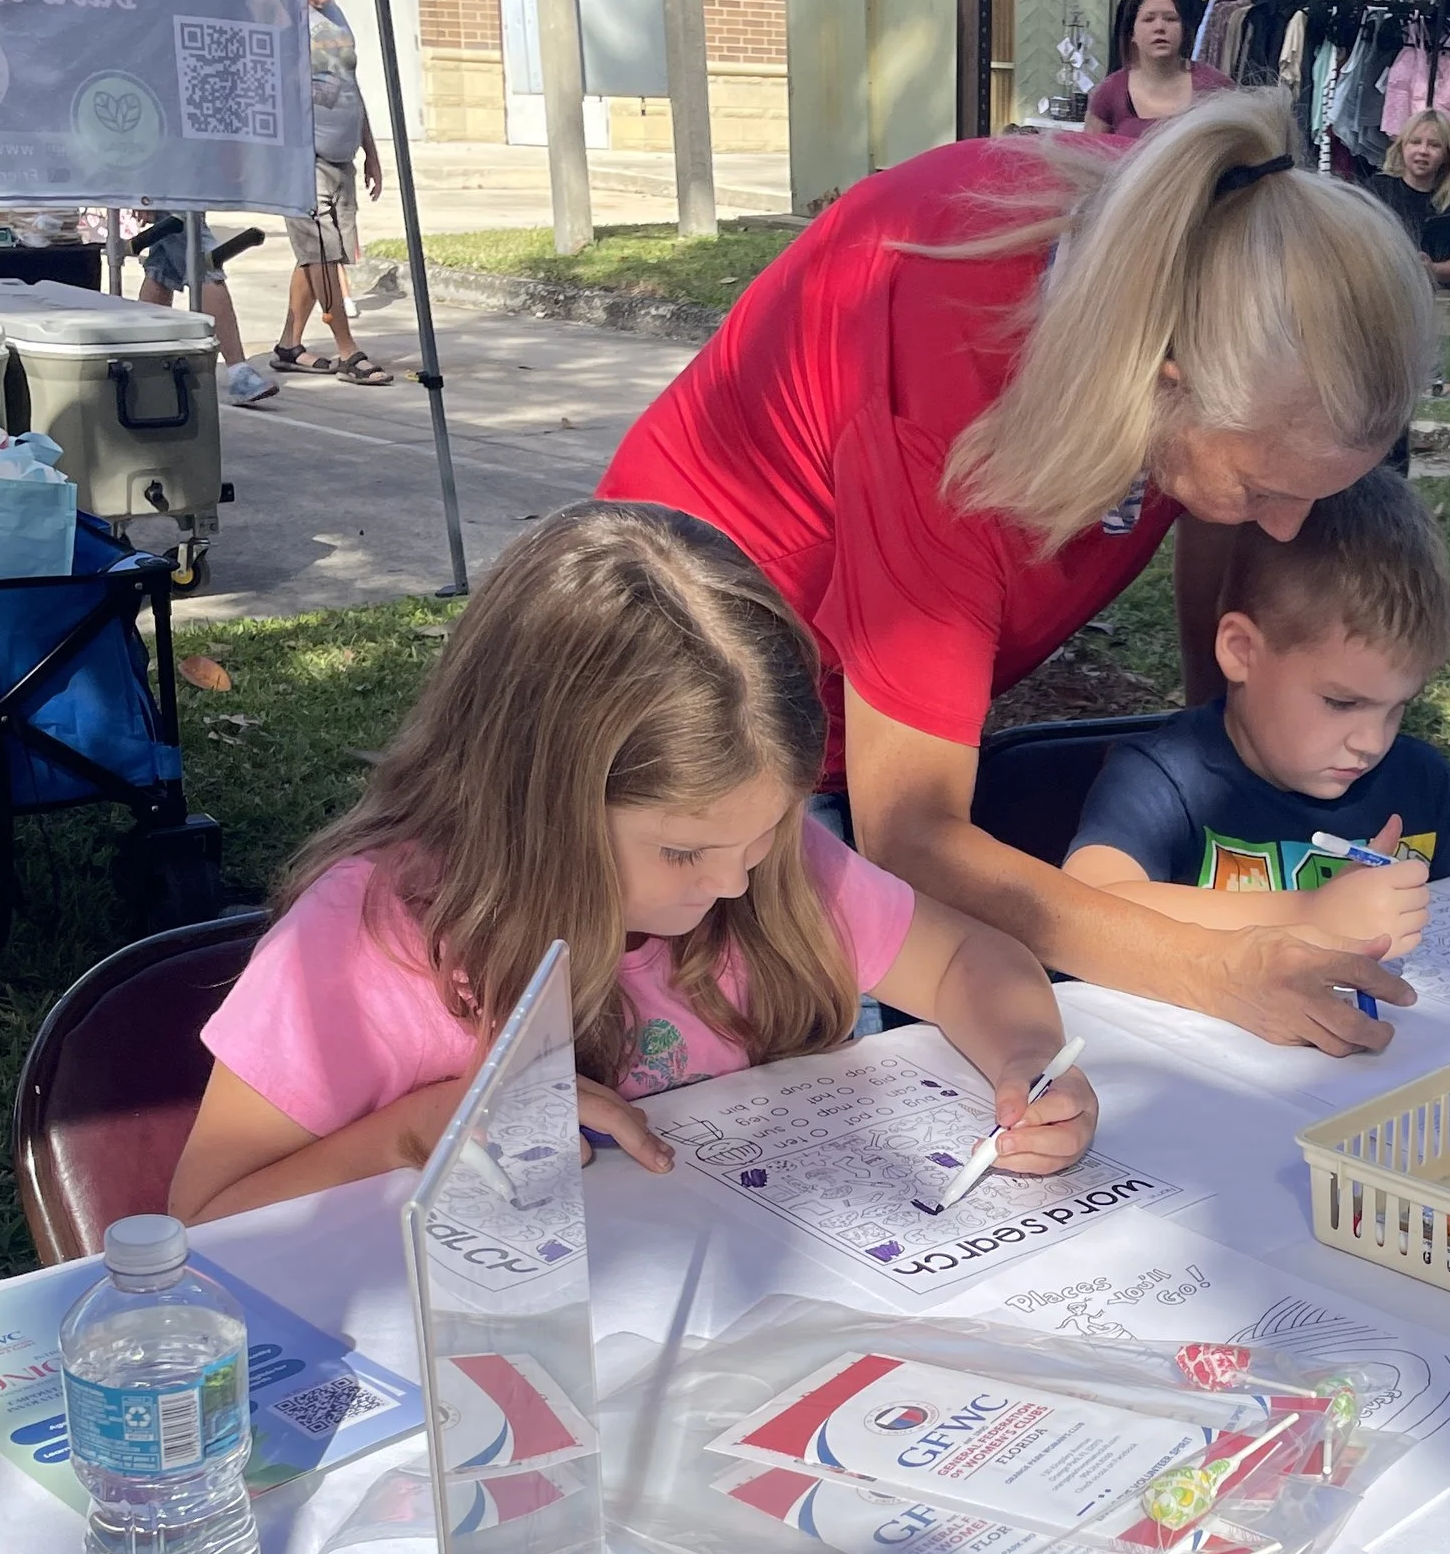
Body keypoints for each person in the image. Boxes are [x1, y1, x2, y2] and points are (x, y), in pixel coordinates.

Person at [600, 88, 1440, 1056]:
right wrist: (1217, 969)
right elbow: (911, 834)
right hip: (701, 688)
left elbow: (1227, 514)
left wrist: (1226, 748)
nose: (1285, 529)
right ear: (1159, 390)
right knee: (773, 1051)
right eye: (1263, 490)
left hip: (866, 615)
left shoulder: (1211, 237)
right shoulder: (947, 406)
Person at [165, 502, 1098, 1225]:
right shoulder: (372, 943)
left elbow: (968, 958)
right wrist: (420, 1131)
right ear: (540, 799)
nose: (733, 882)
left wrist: (1028, 1058)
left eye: (768, 828)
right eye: (684, 850)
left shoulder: (766, 869)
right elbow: (203, 1218)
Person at [1065, 467, 1450, 952]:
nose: (1372, 742)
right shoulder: (1163, 781)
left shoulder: (1419, 782)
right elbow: (1082, 908)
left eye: (1398, 708)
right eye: (1341, 702)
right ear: (1242, 651)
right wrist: (1306, 914)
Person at [273, 0, 391, 387]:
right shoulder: (282, 16)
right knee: (323, 253)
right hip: (303, 159)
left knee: (319, 254)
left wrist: (371, 150)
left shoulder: (336, 16)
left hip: (341, 157)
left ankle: (289, 345)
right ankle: (348, 350)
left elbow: (350, 86)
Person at [132, 213, 277, 406]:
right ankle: (238, 370)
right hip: (174, 195)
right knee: (203, 259)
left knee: (163, 264)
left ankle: (145, 362)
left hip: (169, 194)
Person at [1082, 0, 1233, 147]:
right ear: (1132, 33)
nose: (1159, 27)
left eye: (1170, 19)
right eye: (1148, 19)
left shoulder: (1216, 87)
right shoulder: (1110, 91)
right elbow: (1087, 154)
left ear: (1184, 30)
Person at [1361, 110, 1450, 289]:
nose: (1423, 151)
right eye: (1415, 142)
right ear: (1402, 147)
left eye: (1434, 145)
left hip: (1424, 297)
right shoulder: (1376, 190)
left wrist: (1432, 269)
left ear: (1447, 155)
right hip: (1375, 290)